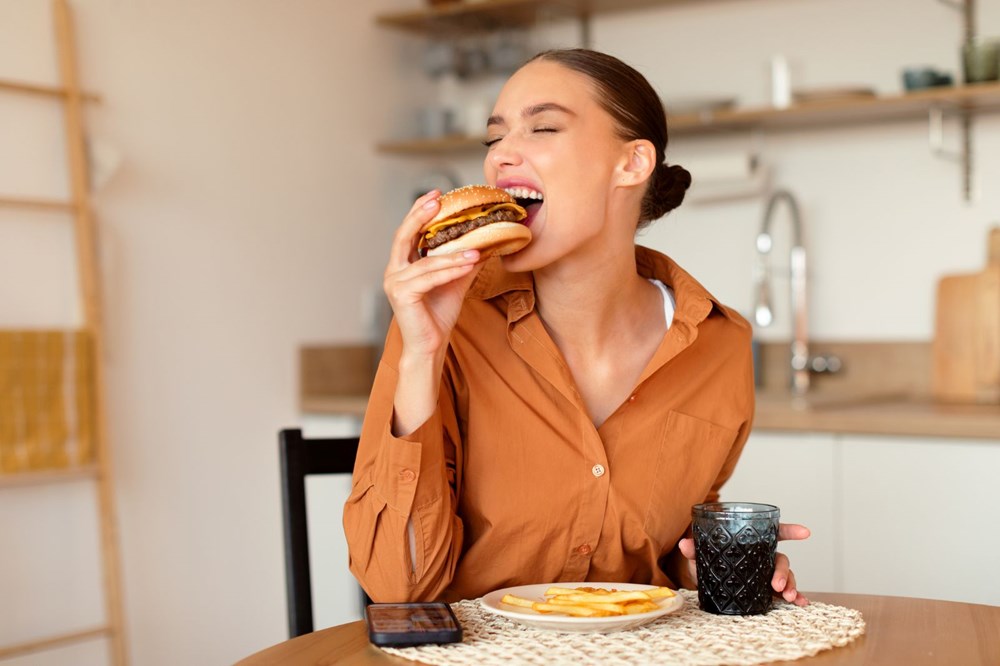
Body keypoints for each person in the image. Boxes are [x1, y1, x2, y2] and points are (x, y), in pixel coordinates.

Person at [343, 48, 809, 606]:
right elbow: (401, 586)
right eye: (494, 139)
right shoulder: (444, 327)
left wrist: (719, 563)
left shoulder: (718, 344)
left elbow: (664, 555)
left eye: (542, 127)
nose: (501, 157)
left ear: (632, 163)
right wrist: (421, 353)